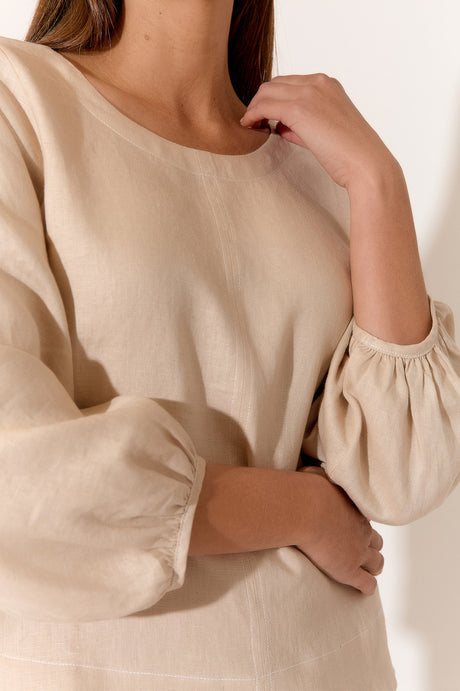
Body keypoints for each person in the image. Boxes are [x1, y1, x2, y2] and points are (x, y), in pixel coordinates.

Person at [0, 0, 458, 688]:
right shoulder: (23, 105)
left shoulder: (311, 159)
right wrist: (300, 510)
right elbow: (19, 479)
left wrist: (377, 183)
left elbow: (402, 470)